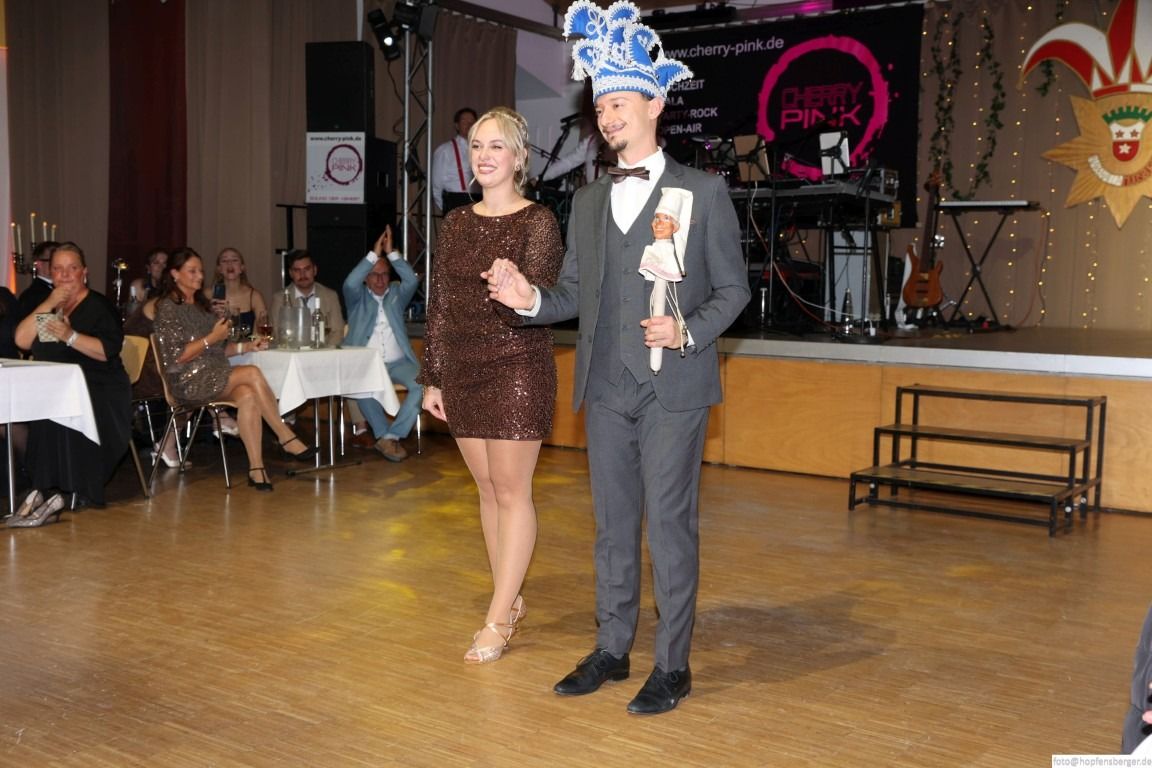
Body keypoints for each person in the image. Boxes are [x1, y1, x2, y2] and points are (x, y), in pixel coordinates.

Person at [484, 1, 749, 714]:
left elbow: (734, 290)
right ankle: (611, 648)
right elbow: (575, 293)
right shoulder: (590, 201)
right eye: (600, 105)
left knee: (670, 527)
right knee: (611, 528)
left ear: (655, 104)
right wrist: (527, 298)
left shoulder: (703, 191)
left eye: (619, 103)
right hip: (604, 386)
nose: (606, 117)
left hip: (674, 390)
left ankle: (673, 664)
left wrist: (686, 330)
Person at [421, 106, 563, 664]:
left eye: (496, 145)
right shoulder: (456, 222)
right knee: (486, 490)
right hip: (462, 368)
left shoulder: (539, 221)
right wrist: (433, 376)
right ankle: (510, 599)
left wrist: (515, 288)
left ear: (519, 157)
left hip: (517, 365)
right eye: (477, 145)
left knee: (511, 491)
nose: (484, 155)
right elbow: (441, 305)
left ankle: (498, 618)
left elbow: (541, 300)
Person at [153, 248, 317, 491]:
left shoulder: (202, 305)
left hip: (214, 373)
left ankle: (257, 469)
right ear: (175, 274)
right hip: (187, 381)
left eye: (201, 271)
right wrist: (212, 337)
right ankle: (285, 436)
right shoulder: (168, 308)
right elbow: (177, 356)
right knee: (251, 372)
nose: (200, 276)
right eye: (192, 271)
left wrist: (248, 346)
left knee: (248, 395)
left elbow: (221, 348)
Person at [9, 242, 133, 526]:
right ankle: (44, 488)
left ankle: (60, 490)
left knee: (60, 406)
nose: (65, 275)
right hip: (59, 387)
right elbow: (22, 340)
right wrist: (49, 303)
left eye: (72, 268)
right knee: (46, 405)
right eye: (58, 269)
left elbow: (106, 351)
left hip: (102, 389)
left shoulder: (99, 307)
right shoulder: (52, 308)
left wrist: (70, 336)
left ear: (84, 272)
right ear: (51, 273)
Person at [342, 227, 422, 462]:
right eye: (374, 274)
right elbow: (350, 282)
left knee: (423, 383)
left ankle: (391, 436)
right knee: (361, 387)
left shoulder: (397, 294)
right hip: (367, 363)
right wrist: (373, 254)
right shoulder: (356, 297)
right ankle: (384, 435)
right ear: (366, 278)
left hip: (399, 363)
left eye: (385, 274)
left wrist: (391, 253)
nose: (380, 280)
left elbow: (411, 280)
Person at [267, 249, 345, 349]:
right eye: (297, 270)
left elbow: (338, 331)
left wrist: (324, 351)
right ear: (291, 273)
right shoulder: (280, 299)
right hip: (292, 352)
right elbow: (277, 334)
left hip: (323, 352)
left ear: (315, 270)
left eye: (307, 269)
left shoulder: (330, 296)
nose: (302, 274)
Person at [206, 247, 267, 336]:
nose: (229, 263)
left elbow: (262, 329)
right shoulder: (208, 294)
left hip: (247, 344)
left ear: (242, 268)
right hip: (215, 344)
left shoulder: (254, 296)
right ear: (219, 269)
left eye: (234, 260)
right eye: (224, 261)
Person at [431, 107, 479, 213]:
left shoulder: (482, 151)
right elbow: (436, 186)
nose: (469, 125)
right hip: (456, 202)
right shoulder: (444, 150)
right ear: (457, 125)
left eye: (472, 122)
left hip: (480, 201)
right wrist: (448, 210)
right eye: (464, 121)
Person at [15, 240, 60, 322]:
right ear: (39, 264)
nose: (59, 264)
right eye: (53, 260)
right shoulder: (31, 296)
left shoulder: (66, 288)